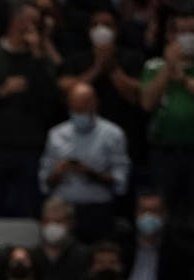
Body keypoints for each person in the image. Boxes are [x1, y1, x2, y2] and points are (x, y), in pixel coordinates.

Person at [0, 1, 59, 217]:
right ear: (15, 22)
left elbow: (51, 100)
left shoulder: (41, 60)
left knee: (27, 210)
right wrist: (1, 93)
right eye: (30, 22)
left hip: (29, 148)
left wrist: (36, 55)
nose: (33, 28)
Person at [140, 13, 194, 229]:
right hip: (164, 153)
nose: (190, 37)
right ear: (170, 36)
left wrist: (184, 80)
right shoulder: (153, 66)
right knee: (165, 211)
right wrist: (168, 69)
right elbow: (147, 102)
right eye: (183, 32)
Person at [39, 82, 130, 243]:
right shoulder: (56, 134)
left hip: (98, 210)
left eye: (82, 110)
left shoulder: (113, 134)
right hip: (62, 210)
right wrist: (58, 173)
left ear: (94, 105)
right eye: (75, 110)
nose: (78, 115)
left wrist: (91, 173)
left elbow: (120, 182)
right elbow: (44, 182)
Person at [58, 8, 147, 165]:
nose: (101, 29)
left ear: (117, 30)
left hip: (125, 134)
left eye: (107, 25)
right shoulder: (75, 60)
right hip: (82, 137)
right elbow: (67, 92)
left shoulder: (133, 58)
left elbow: (137, 96)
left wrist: (111, 67)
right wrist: (97, 68)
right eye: (95, 25)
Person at [123, 190, 194, 280]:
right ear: (136, 214)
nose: (148, 216)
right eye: (143, 211)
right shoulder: (122, 247)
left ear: (165, 215)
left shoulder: (180, 253)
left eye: (154, 212)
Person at [32, 196, 91, 280]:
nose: (52, 226)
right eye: (47, 221)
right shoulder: (32, 256)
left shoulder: (85, 255)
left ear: (71, 223)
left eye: (58, 221)